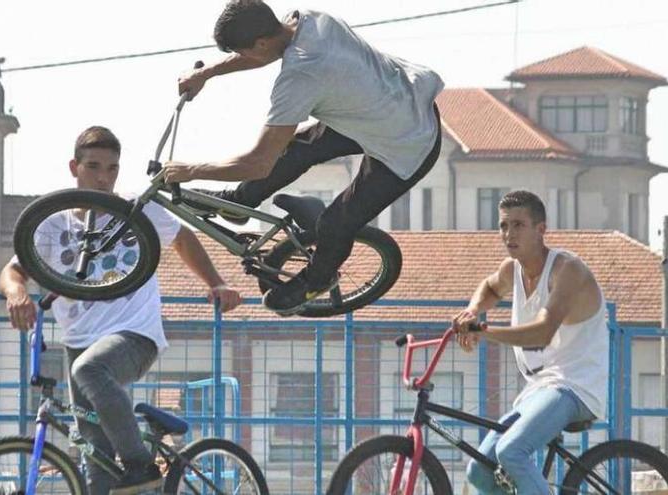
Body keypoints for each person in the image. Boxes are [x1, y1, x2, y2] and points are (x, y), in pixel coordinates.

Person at [0, 126, 242, 495]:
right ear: (73, 167)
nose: (103, 177)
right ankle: (135, 476)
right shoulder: (53, 223)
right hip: (78, 343)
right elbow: (13, 271)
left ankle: (141, 464)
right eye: (94, 166)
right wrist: (16, 294)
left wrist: (215, 283)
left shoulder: (134, 210)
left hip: (134, 336)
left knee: (90, 369)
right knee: (94, 461)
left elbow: (182, 238)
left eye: (112, 169)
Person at [162, 0, 443, 316]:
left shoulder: (300, 76)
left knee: (337, 221)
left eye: (245, 52)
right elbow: (264, 51)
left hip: (409, 143)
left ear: (261, 42)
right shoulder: (306, 19)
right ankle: (241, 202)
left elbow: (258, 163)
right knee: (297, 148)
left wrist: (191, 170)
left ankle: (317, 280)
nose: (245, 58)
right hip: (391, 102)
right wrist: (208, 73)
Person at [452, 190, 608, 495]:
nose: (508, 234)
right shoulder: (512, 270)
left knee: (511, 452)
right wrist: (472, 310)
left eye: (518, 225)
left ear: (541, 230)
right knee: (480, 471)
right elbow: (490, 287)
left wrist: (484, 332)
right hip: (537, 391)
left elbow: (542, 332)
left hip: (575, 387)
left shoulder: (567, 270)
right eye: (503, 226)